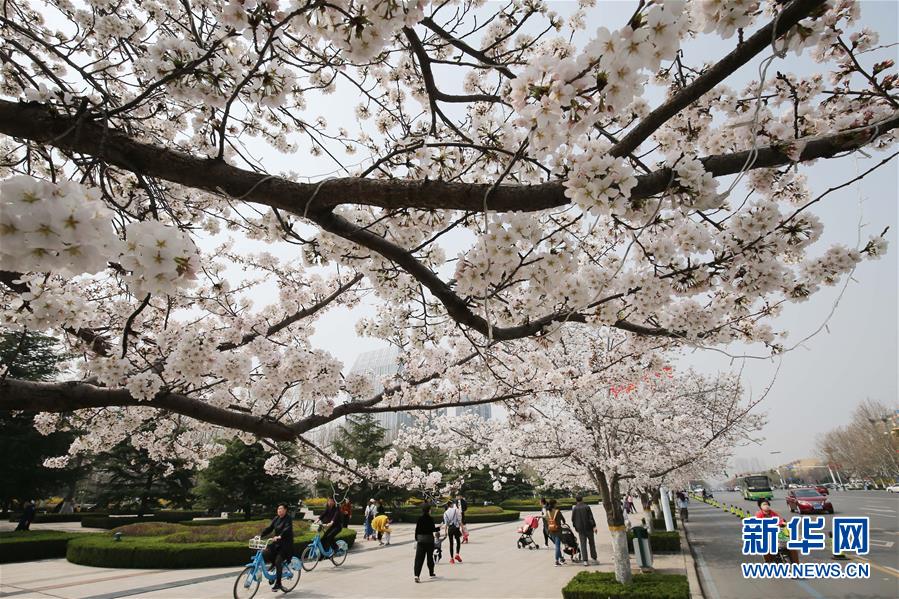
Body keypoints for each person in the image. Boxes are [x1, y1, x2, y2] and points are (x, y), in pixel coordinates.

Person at [260, 502, 294, 592]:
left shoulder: (288, 519)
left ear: (285, 510)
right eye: (278, 509)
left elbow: (287, 529)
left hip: (285, 545)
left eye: (281, 509)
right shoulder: (276, 518)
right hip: (276, 543)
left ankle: (278, 583)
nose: (279, 510)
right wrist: (260, 535)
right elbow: (270, 528)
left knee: (278, 561)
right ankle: (273, 571)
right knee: (264, 553)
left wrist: (280, 536)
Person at [755, 500, 799, 564]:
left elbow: (779, 520)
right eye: (764, 504)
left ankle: (796, 564)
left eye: (767, 504)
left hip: (777, 533)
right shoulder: (759, 514)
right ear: (760, 507)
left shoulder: (773, 513)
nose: (766, 506)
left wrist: (783, 523)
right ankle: (770, 561)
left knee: (792, 547)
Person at [413, 504, 439, 583]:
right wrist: (439, 528)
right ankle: (431, 573)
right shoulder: (430, 519)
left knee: (418, 559)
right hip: (429, 541)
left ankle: (416, 575)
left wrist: (416, 538)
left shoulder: (419, 519)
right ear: (428, 510)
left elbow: (417, 530)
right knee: (429, 557)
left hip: (420, 540)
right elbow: (432, 529)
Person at [571, 496, 598, 565]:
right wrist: (594, 526)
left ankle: (585, 560)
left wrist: (576, 527)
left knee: (583, 544)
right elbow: (591, 518)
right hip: (589, 528)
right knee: (591, 543)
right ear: (582, 499)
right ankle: (594, 558)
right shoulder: (587, 507)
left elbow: (573, 519)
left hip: (580, 529)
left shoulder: (575, 508)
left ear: (576, 500)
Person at [546, 499, 567, 566]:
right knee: (557, 546)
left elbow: (547, 521)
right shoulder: (557, 511)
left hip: (551, 531)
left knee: (557, 545)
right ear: (554, 504)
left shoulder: (547, 512)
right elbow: (563, 519)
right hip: (558, 530)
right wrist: (563, 522)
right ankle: (556, 561)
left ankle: (561, 558)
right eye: (556, 503)